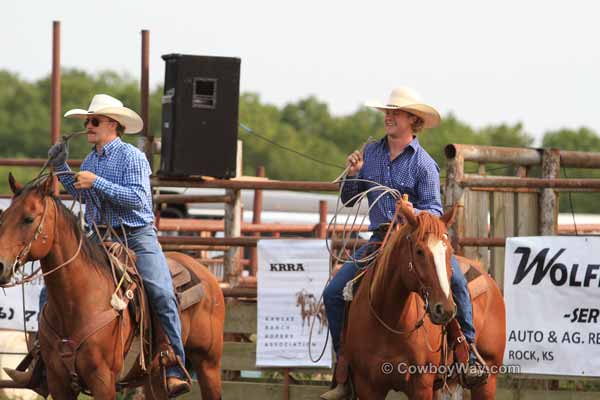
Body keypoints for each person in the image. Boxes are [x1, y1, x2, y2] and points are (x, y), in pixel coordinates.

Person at [5, 94, 191, 397]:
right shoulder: (91, 160)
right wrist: (62, 167)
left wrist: (98, 183)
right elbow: (85, 197)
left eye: (94, 121)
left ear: (113, 125)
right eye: (87, 121)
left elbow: (139, 200)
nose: (88, 126)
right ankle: (43, 364)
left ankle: (173, 365)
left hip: (137, 236)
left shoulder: (133, 157)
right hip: (99, 236)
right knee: (47, 293)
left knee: (160, 291)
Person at [320, 87, 484, 400]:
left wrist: (411, 212)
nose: (389, 116)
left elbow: (435, 212)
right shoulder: (371, 154)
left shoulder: (424, 164)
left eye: (396, 112)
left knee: (458, 284)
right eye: (387, 111)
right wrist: (353, 174)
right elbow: (349, 198)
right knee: (332, 293)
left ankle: (468, 354)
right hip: (380, 240)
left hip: (417, 241)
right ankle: (345, 370)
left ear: (413, 120)